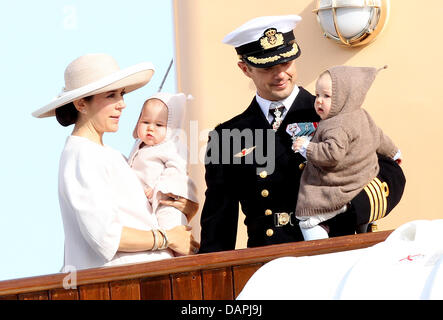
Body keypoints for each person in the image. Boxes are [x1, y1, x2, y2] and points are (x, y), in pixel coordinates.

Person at [199, 15, 406, 253]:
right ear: (245, 69)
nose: (280, 75)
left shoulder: (335, 114)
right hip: (268, 263)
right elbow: (218, 221)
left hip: (334, 251)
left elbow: (390, 172)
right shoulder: (227, 136)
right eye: (268, 67)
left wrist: (349, 207)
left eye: (286, 63)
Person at [32, 53, 199, 271]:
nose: (122, 104)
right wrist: (167, 238)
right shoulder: (82, 154)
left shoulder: (112, 156)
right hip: (121, 285)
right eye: (111, 95)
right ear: (81, 103)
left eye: (121, 94)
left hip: (144, 281)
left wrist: (176, 203)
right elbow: (104, 236)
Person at [292, 66, 405, 240]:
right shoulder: (361, 114)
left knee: (307, 219)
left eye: (327, 96)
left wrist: (306, 147)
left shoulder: (335, 125)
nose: (319, 101)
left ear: (345, 97)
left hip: (339, 187)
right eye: (317, 95)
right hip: (364, 177)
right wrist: (394, 153)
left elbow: (332, 153)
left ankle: (318, 247)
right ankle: (362, 223)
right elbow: (379, 136)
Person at [128, 92, 198, 233]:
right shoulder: (139, 145)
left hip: (166, 201)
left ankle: (183, 254)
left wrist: (159, 188)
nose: (150, 128)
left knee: (171, 225)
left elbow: (177, 171)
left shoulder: (174, 146)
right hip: (143, 203)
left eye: (159, 125)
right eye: (145, 122)